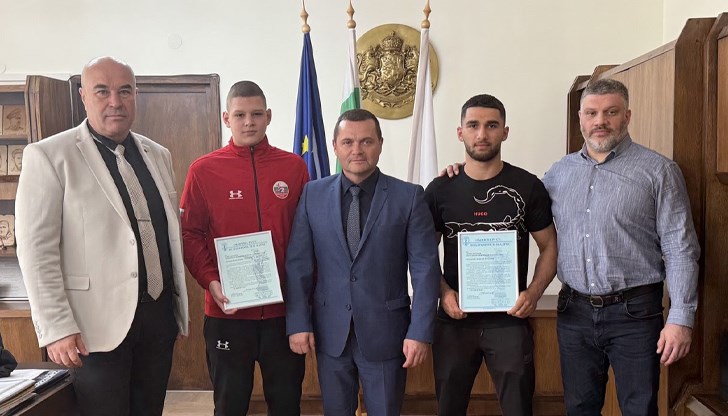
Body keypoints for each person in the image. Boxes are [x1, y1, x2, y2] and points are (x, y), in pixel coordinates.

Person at [15, 56, 189, 416]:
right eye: (102, 91)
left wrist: (175, 311)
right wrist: (56, 327)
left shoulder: (158, 155)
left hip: (157, 320)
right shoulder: (50, 156)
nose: (115, 101)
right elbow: (36, 251)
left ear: (136, 95)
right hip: (92, 330)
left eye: (125, 91)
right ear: (83, 96)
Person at [542, 78, 700, 415]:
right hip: (574, 312)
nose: (600, 121)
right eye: (591, 113)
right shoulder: (558, 173)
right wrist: (462, 175)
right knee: (579, 408)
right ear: (580, 119)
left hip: (635, 314)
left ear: (627, 116)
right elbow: (515, 207)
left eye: (610, 112)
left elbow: (681, 248)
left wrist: (680, 318)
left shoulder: (659, 171)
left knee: (639, 409)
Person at [286, 109, 441, 415]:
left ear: (380, 144)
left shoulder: (409, 197)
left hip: (387, 334)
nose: (356, 150)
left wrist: (420, 331)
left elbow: (425, 270)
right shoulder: (312, 195)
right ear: (335, 146)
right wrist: (298, 322)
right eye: (348, 142)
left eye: (366, 141)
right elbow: (298, 265)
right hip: (330, 333)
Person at [180, 80, 309, 416]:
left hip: (283, 315)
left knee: (287, 405)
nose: (248, 122)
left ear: (269, 116)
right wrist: (211, 281)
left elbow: (308, 236)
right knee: (229, 405)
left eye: (256, 114)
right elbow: (190, 235)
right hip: (228, 313)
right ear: (226, 118)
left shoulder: (294, 167)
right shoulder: (203, 170)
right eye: (240, 115)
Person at [425, 94, 557, 416]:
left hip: (509, 321)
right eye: (473, 125)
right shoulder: (440, 190)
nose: (482, 134)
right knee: (449, 409)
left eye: (491, 125)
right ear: (460, 132)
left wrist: (533, 293)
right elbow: (423, 253)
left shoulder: (528, 186)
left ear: (505, 132)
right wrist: (443, 293)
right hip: (454, 321)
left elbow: (549, 246)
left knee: (518, 409)